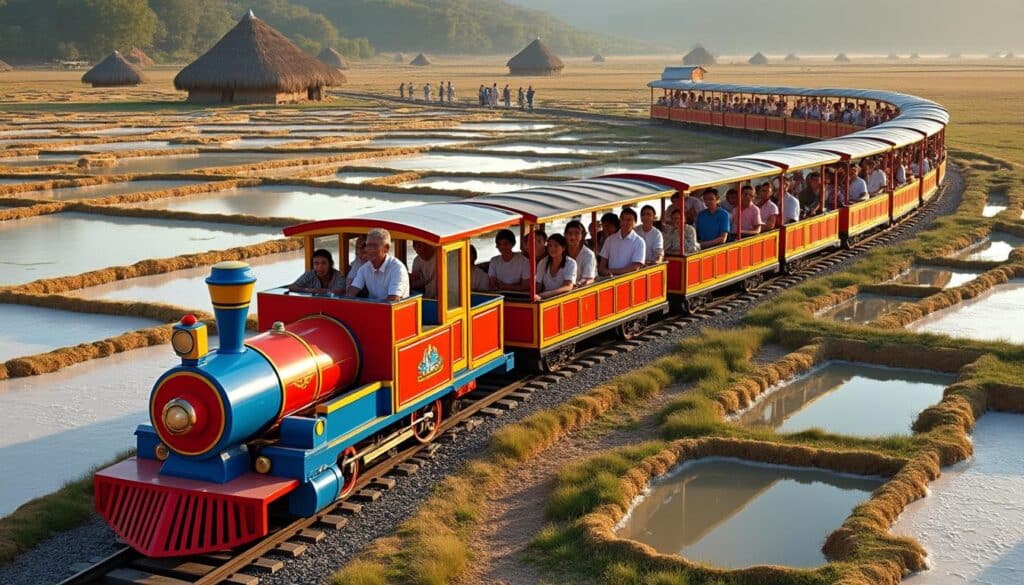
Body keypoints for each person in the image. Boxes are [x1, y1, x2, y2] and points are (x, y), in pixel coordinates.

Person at [344, 229, 409, 301]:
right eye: (368, 245)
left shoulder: (397, 268)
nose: (369, 249)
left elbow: (393, 299)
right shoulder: (364, 268)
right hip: (374, 309)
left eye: (374, 246)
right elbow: (352, 291)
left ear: (386, 248)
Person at [598, 209, 645, 276]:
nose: (625, 222)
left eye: (629, 220)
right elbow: (602, 265)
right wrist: (604, 271)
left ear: (635, 222)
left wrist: (611, 271)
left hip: (628, 280)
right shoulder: (610, 240)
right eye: (623, 219)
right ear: (620, 221)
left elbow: (635, 267)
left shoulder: (639, 242)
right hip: (610, 280)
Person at [534, 234, 577, 300]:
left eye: (556, 246)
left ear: (563, 248)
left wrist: (548, 294)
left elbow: (568, 286)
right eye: (550, 246)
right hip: (544, 299)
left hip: (563, 299)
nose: (552, 248)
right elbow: (538, 286)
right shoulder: (543, 263)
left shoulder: (571, 263)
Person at [564, 220, 596, 286]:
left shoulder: (588, 255)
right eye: (570, 233)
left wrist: (577, 285)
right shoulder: (561, 252)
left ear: (583, 235)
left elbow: (588, 278)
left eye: (577, 233)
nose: (573, 237)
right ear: (565, 235)